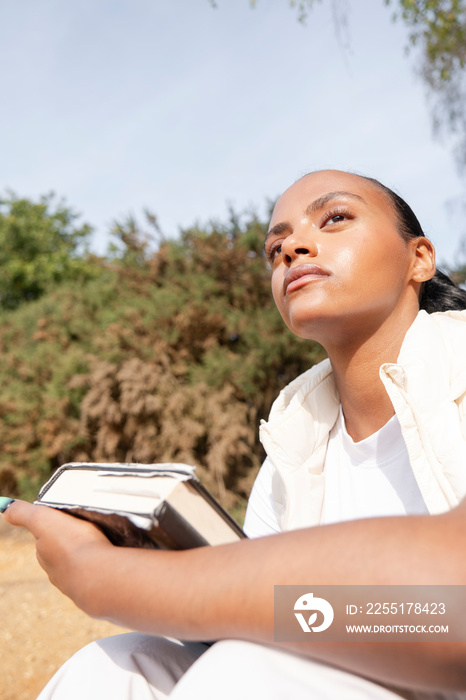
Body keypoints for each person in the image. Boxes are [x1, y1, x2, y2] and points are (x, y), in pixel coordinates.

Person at [4, 169, 466, 700]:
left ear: (420, 259)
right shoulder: (292, 445)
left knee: (246, 675)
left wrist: (109, 577)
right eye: (275, 248)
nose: (292, 247)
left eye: (335, 217)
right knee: (116, 666)